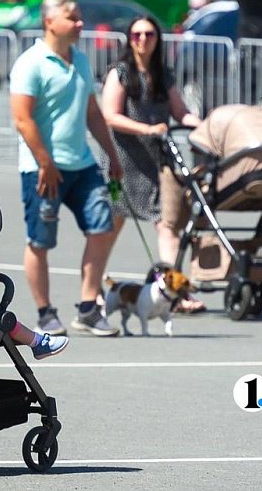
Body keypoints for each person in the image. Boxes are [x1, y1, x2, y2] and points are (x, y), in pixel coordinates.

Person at [9, 0, 124, 338]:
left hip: (82, 165)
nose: (79, 23)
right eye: (71, 17)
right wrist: (45, 162)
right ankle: (45, 313)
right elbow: (22, 119)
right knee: (40, 241)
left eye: (79, 16)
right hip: (42, 168)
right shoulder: (31, 63)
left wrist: (113, 156)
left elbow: (92, 112)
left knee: (102, 227)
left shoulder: (81, 61)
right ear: (49, 22)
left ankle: (89, 307)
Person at [100, 16, 205, 313]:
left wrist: (203, 126)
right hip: (123, 160)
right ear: (129, 39)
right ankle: (92, 291)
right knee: (111, 224)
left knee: (167, 224)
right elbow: (110, 115)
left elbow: (180, 111)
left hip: (157, 159)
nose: (143, 40)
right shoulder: (120, 73)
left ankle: (173, 294)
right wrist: (147, 129)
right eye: (136, 35)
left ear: (158, 38)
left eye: (148, 34)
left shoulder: (163, 75)